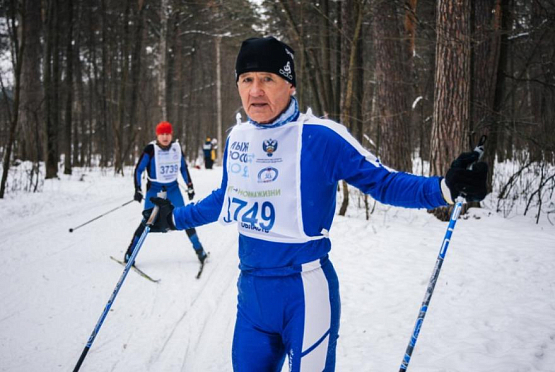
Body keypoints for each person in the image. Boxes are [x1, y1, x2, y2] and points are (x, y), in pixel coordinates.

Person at [146, 37, 488, 371]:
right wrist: (174, 218)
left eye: (268, 79)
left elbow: (382, 182)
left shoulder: (321, 137)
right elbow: (226, 198)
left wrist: (444, 188)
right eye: (247, 79)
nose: (255, 91)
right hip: (251, 297)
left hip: (305, 294)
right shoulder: (238, 138)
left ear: (290, 85)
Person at [125, 121, 207, 265]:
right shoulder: (151, 149)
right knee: (147, 222)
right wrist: (137, 188)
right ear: (157, 135)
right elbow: (138, 169)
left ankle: (200, 251)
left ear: (171, 134)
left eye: (167, 134)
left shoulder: (176, 148)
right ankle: (130, 254)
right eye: (162, 134)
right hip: (155, 190)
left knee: (185, 218)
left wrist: (190, 185)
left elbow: (183, 168)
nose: (165, 137)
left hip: (173, 189)